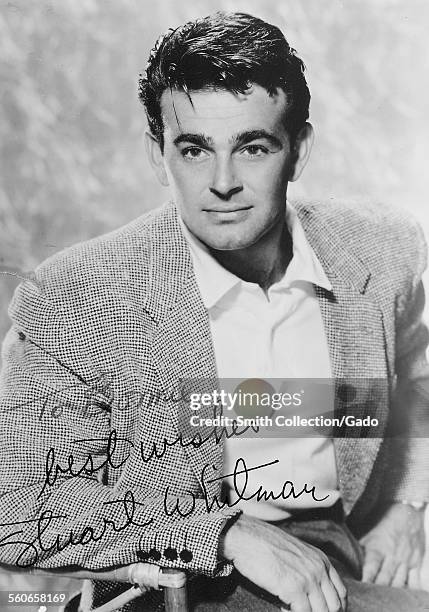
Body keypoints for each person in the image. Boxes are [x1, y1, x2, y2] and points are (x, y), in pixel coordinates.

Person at [0, 10, 429, 612]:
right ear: (159, 155)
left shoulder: (383, 249)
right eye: (195, 149)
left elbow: (414, 374)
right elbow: (16, 509)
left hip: (344, 541)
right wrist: (224, 535)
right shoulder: (75, 294)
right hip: (192, 574)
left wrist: (409, 504)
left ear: (298, 150)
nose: (222, 182)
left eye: (252, 147)